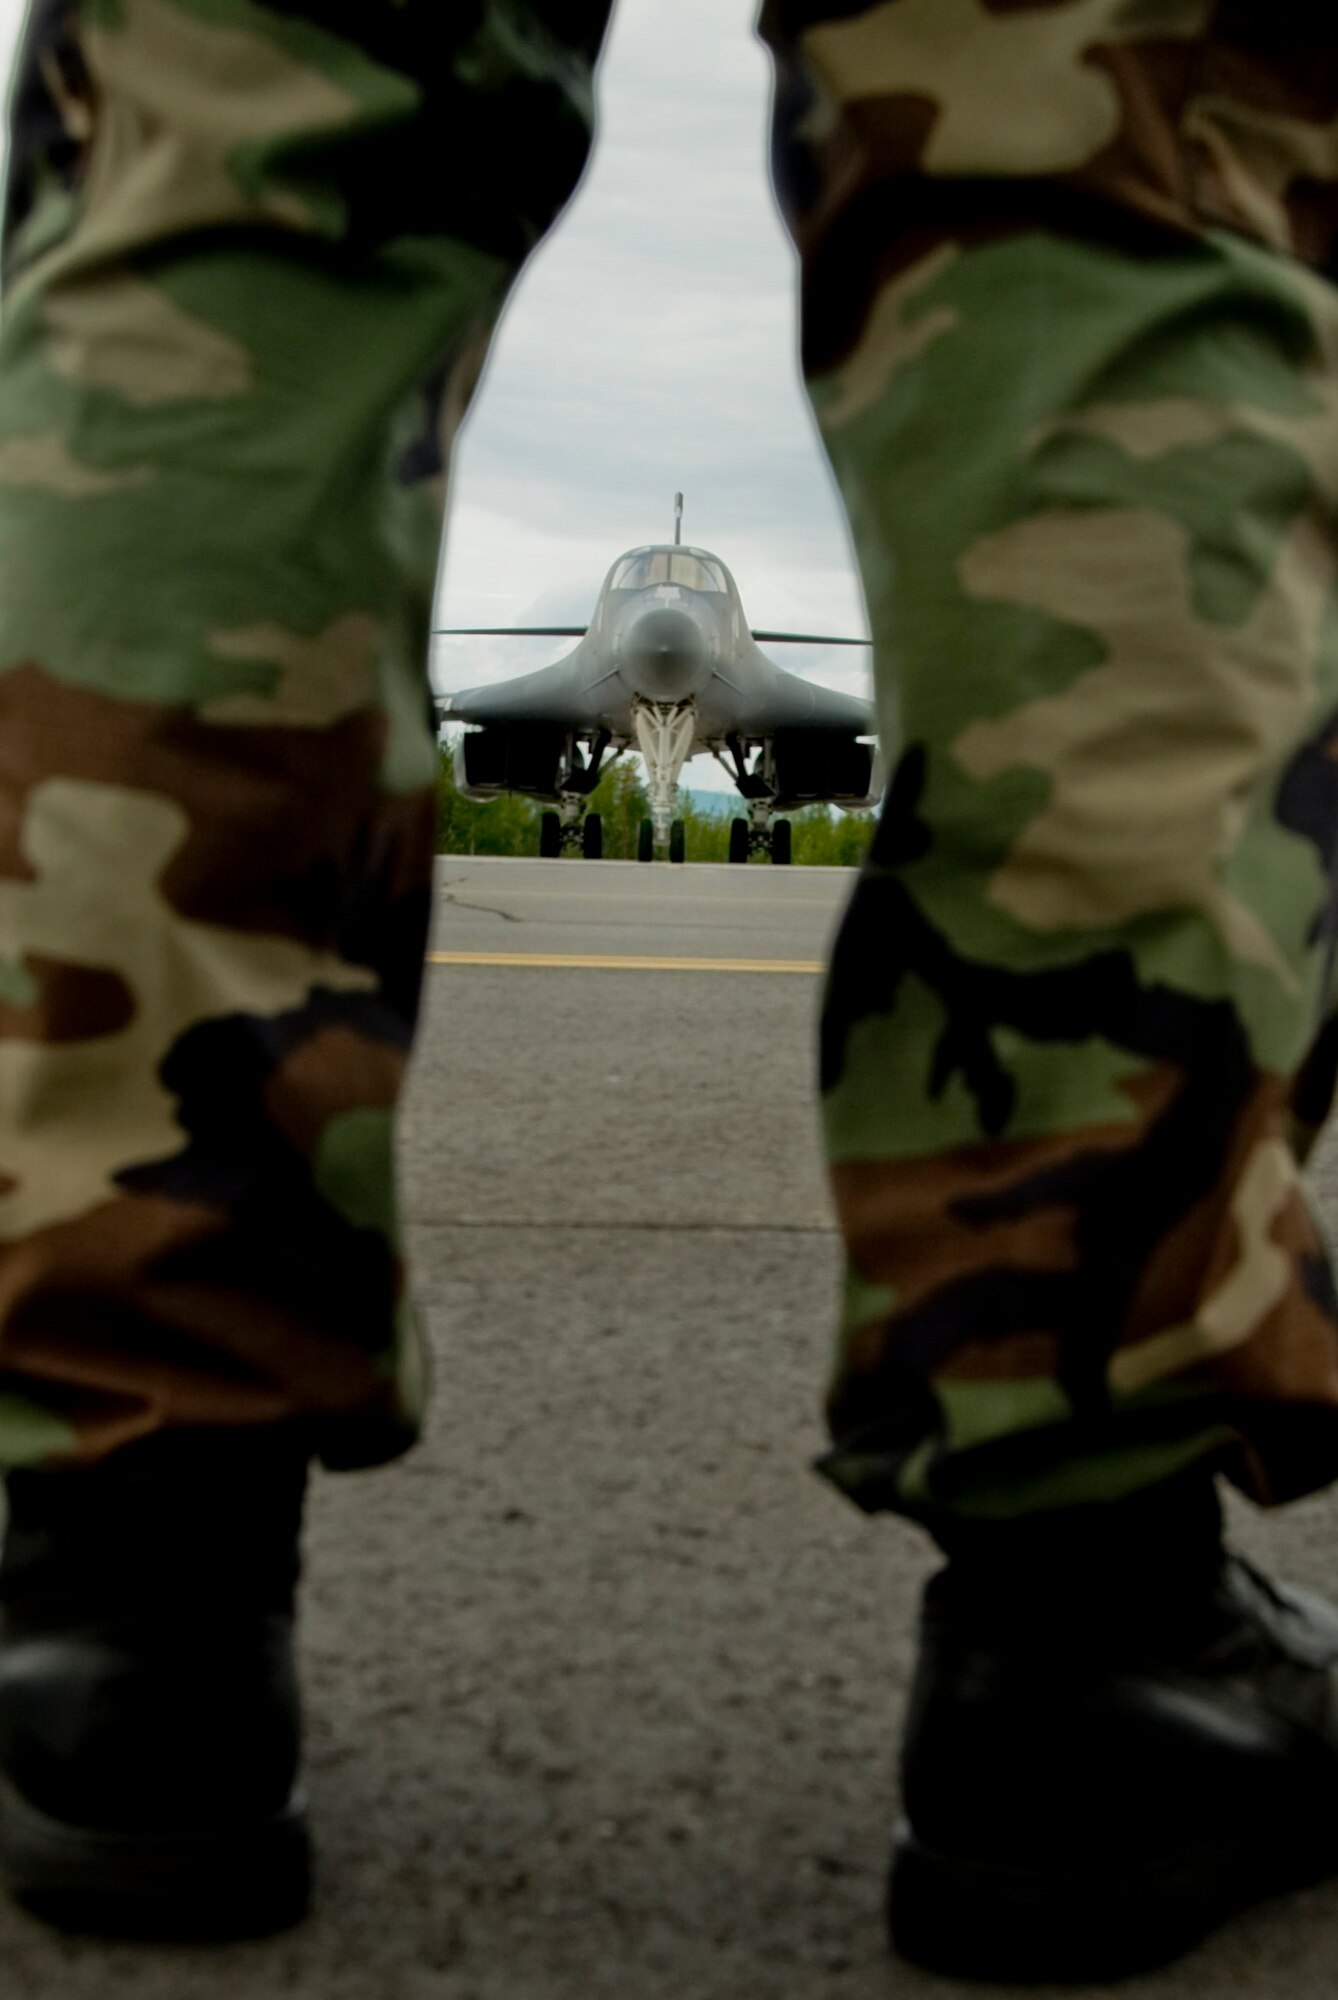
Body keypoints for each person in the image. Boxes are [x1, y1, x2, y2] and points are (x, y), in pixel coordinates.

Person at [1, 0, 1337, 1977]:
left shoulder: (723, 683)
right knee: (1096, 159)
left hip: (681, 738)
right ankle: (1099, 1623)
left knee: (238, 168)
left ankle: (117, 1606)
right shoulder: (592, 679)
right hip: (656, 736)